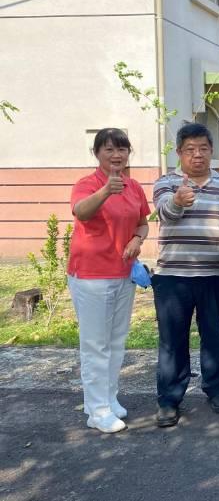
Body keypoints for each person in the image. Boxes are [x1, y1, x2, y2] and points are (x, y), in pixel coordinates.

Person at [151, 123, 219, 427]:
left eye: (203, 148)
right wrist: (178, 200)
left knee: (213, 335)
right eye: (190, 149)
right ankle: (168, 399)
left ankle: (216, 389)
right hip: (172, 276)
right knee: (172, 340)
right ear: (179, 153)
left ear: (211, 151)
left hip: (213, 273)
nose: (197, 155)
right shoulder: (165, 183)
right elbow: (164, 212)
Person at [67, 128, 150, 433]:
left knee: (116, 342)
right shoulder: (88, 184)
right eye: (109, 150)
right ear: (97, 153)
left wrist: (137, 240)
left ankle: (109, 399)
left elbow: (143, 223)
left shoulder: (134, 186)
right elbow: (81, 212)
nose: (117, 155)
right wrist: (105, 191)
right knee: (95, 345)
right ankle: (96, 410)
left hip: (123, 272)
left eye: (122, 149)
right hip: (91, 275)